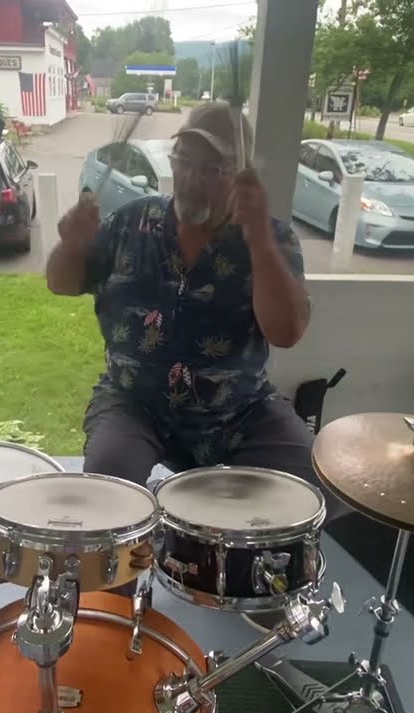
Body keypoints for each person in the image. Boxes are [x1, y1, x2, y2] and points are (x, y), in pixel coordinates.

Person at [46, 101, 321, 499]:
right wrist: (71, 245)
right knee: (108, 485)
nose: (192, 178)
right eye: (184, 161)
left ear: (242, 176)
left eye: (213, 169)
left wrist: (258, 238)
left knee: (312, 486)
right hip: (133, 401)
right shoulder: (129, 222)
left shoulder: (272, 238)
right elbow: (62, 283)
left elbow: (287, 332)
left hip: (238, 408)